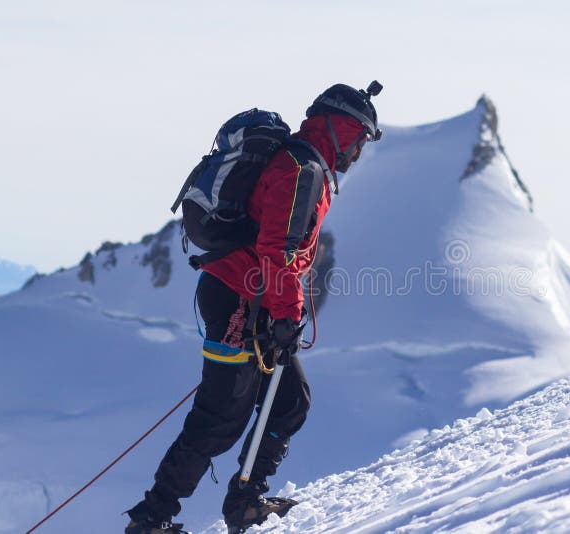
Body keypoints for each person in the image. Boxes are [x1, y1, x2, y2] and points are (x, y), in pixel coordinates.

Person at [125, 82, 382, 534]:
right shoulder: (302, 170)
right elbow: (277, 248)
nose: (359, 152)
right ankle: (152, 519)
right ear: (342, 129)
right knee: (219, 418)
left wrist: (283, 312)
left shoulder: (307, 165)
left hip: (253, 300)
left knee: (288, 402)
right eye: (360, 139)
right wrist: (285, 314)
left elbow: (280, 250)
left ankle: (244, 500)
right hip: (241, 303)